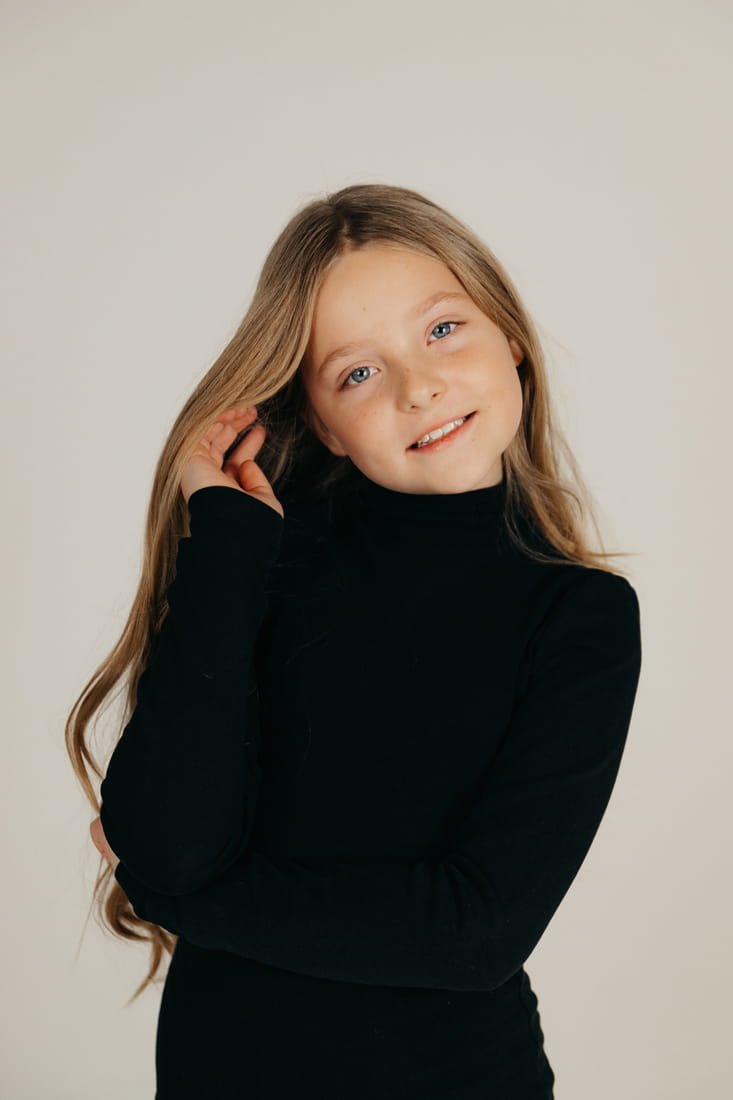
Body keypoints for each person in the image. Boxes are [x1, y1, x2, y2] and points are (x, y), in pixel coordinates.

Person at [74, 182, 642, 1099]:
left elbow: (475, 936)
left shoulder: (580, 616)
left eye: (443, 329)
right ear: (323, 427)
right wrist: (226, 541)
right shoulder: (257, 565)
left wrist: (185, 901)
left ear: (511, 338)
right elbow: (165, 842)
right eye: (358, 373)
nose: (419, 386)